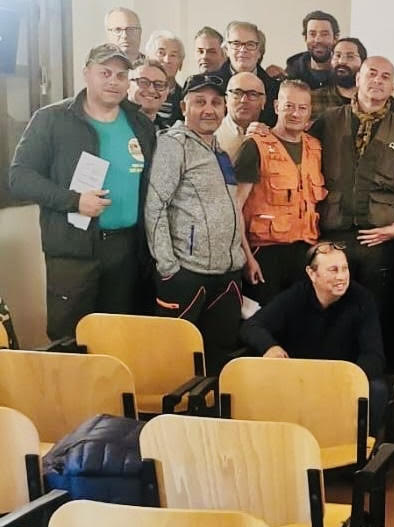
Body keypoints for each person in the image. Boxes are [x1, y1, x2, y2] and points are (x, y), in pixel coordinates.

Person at [9, 44, 156, 339]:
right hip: (73, 251)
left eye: (121, 75)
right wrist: (74, 201)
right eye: (105, 73)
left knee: (118, 339)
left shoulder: (140, 124)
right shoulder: (52, 119)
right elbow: (19, 177)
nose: (113, 81)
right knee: (70, 340)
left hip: (126, 250)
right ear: (86, 73)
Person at [309, 56, 394, 369]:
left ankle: (370, 380)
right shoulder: (328, 121)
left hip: (380, 240)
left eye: (386, 76)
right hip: (333, 237)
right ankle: (331, 377)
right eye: (372, 73)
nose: (378, 81)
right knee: (329, 312)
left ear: (393, 87)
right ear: (358, 79)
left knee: (374, 314)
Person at [144, 73, 245, 372]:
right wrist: (168, 267)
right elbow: (155, 206)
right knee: (175, 362)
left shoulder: (220, 150)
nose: (209, 109)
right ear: (184, 107)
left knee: (219, 360)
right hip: (188, 274)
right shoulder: (173, 145)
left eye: (216, 102)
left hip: (227, 274)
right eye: (200, 102)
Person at [239, 242, 388, 432]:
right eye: (333, 270)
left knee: (377, 389)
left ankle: (361, 447)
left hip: (343, 380)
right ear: (312, 273)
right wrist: (270, 347)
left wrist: (346, 378)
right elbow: (251, 326)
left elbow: (374, 356)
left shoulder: (362, 299)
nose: (341, 277)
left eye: (345, 269)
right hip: (302, 379)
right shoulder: (296, 295)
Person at [235, 80, 326, 306]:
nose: (295, 113)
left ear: (310, 111)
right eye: (289, 106)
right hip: (264, 253)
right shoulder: (255, 145)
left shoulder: (315, 148)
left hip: (305, 253)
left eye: (302, 108)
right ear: (276, 107)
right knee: (263, 319)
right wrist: (247, 258)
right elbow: (235, 207)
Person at [225, 20, 280, 126]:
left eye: (250, 44)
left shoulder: (277, 90)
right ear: (226, 50)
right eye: (236, 44)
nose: (243, 50)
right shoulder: (210, 86)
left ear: (259, 52)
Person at [310, 37, 368, 121]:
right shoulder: (313, 98)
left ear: (363, 63)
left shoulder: (372, 100)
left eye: (350, 56)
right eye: (337, 55)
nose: (341, 61)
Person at [214, 71, 267, 160]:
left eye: (253, 94)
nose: (243, 100)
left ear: (263, 101)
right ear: (226, 99)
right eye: (237, 93)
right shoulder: (210, 136)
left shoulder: (269, 138)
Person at [286, 10, 340, 89]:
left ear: (336, 38)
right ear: (305, 38)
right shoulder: (291, 73)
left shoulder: (344, 72)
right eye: (312, 34)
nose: (318, 40)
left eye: (324, 34)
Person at [144, 30, 185, 126]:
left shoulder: (185, 99)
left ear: (181, 63)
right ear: (148, 58)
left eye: (173, 55)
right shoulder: (135, 94)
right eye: (161, 53)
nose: (167, 60)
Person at [128, 58, 173, 131]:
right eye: (143, 82)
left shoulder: (168, 133)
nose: (151, 90)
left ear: (167, 92)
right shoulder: (113, 123)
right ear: (127, 85)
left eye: (159, 85)